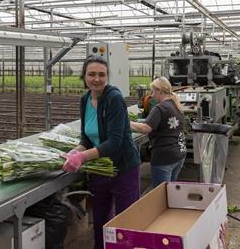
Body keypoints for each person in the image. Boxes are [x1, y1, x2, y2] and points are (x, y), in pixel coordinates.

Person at [61, 55, 141, 249]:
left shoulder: (114, 98)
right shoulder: (85, 99)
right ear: (84, 76)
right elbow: (86, 138)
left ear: (107, 77)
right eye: (92, 74)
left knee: (125, 223)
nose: (97, 79)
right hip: (100, 171)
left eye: (101, 74)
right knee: (100, 223)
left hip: (123, 169)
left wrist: (82, 157)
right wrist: (76, 150)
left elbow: (114, 142)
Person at [130, 76, 187, 188]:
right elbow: (161, 122)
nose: (151, 95)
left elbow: (145, 128)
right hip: (179, 154)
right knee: (170, 191)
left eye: (153, 91)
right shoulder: (175, 104)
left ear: (160, 91)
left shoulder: (159, 108)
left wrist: (125, 123)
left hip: (165, 157)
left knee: (160, 194)